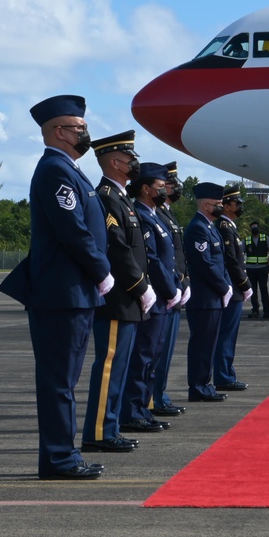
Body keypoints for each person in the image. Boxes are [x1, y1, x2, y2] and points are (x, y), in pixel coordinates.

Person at [0, 94, 113, 480]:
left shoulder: (69, 170)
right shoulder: (54, 171)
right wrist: (102, 270)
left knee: (65, 381)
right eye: (79, 128)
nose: (85, 133)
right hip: (62, 294)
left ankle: (63, 455)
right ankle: (60, 458)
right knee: (59, 383)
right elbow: (74, 232)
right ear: (59, 132)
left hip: (74, 294)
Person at [82, 131, 156, 454]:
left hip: (127, 300)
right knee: (109, 366)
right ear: (114, 162)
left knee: (120, 369)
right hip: (118, 300)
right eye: (129, 158)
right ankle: (98, 432)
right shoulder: (106, 196)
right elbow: (119, 251)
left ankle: (109, 427)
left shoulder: (122, 197)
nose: (133, 163)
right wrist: (141, 287)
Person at [121, 163, 181, 434]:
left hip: (162, 299)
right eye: (159, 188)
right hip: (154, 298)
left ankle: (142, 409)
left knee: (152, 357)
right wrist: (170, 290)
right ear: (146, 189)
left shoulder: (155, 215)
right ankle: (132, 411)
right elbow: (154, 261)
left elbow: (169, 259)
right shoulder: (143, 216)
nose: (164, 191)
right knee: (143, 357)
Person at [184, 182, 233, 402]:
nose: (221, 207)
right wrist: (224, 287)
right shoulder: (198, 228)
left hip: (212, 298)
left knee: (209, 344)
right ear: (206, 205)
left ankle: (205, 384)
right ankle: (198, 387)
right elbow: (204, 264)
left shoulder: (209, 227)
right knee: (202, 345)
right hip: (204, 298)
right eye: (218, 204)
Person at [151, 161, 190, 416]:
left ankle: (159, 395)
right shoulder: (154, 213)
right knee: (156, 352)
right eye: (169, 185)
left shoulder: (166, 213)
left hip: (174, 288)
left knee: (165, 353)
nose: (172, 190)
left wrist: (184, 282)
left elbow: (177, 254)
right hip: (163, 292)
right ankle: (153, 398)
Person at [213, 185, 253, 391]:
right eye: (236, 204)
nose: (239, 207)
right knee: (226, 335)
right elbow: (231, 260)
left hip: (235, 289)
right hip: (232, 289)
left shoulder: (230, 226)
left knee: (229, 335)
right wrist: (244, 283)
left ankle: (226, 373)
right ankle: (223, 376)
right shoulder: (224, 227)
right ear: (227, 206)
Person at [245, 220, 269, 319]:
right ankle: (255, 310)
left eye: (255, 227)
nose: (254, 229)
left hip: (263, 268)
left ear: (259, 228)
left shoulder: (265, 238)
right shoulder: (247, 240)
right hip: (250, 268)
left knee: (263, 289)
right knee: (252, 290)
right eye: (252, 227)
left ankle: (266, 311)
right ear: (250, 229)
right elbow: (239, 252)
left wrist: (268, 265)